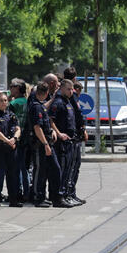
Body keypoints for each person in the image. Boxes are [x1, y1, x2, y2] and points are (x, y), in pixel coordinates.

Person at [30, 82, 69, 208]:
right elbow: (37, 127)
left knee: (54, 170)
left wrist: (51, 130)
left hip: (47, 143)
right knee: (40, 171)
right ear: (46, 93)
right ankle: (38, 197)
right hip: (41, 144)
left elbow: (44, 111)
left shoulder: (40, 105)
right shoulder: (36, 107)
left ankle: (53, 197)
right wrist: (45, 144)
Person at [48, 79, 79, 207]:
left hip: (69, 141)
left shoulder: (68, 102)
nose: (71, 92)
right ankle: (57, 197)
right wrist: (59, 133)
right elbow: (50, 120)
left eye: (72, 89)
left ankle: (65, 195)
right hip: (60, 142)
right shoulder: (58, 102)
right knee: (60, 171)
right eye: (68, 89)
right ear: (61, 88)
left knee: (67, 170)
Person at [0, 92, 22, 207]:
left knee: (13, 174)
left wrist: (14, 139)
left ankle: (13, 199)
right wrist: (7, 141)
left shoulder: (11, 115)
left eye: (5, 100)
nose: (3, 102)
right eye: (1, 100)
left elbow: (18, 129)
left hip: (11, 148)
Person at [9, 80, 31, 202]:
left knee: (15, 168)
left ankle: (17, 192)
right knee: (24, 168)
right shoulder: (28, 102)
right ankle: (27, 193)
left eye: (12, 86)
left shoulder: (13, 103)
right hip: (26, 139)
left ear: (17, 88)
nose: (10, 89)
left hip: (15, 138)